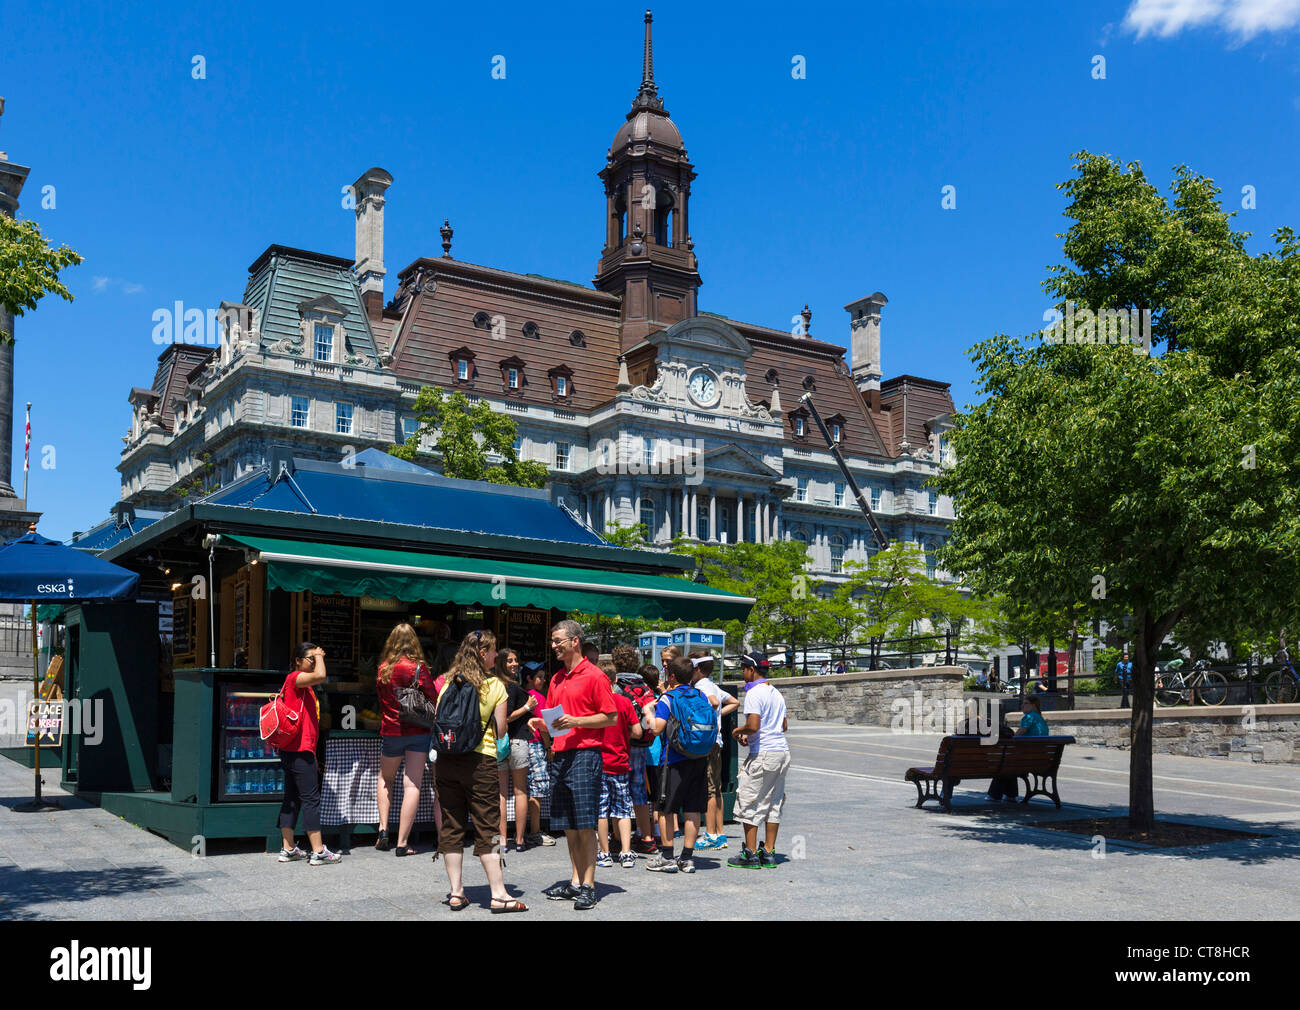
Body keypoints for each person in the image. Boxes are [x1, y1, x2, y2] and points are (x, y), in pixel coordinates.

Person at [433, 630, 527, 913]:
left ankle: (456, 892)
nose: (496, 655)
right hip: (480, 762)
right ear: (483, 654)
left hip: (447, 762)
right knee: (489, 827)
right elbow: (501, 729)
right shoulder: (495, 686)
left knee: (451, 825)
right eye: (493, 651)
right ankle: (498, 894)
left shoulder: (447, 682)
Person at [529, 619, 617, 911]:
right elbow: (556, 724)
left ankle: (589, 885)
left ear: (575, 641)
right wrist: (541, 724)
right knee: (568, 825)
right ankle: (576, 881)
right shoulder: (556, 678)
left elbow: (611, 717)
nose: (553, 646)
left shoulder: (595, 676)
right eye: (553, 641)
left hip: (585, 754)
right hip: (561, 755)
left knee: (585, 823)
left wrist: (576, 721)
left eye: (558, 641)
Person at [643, 656, 711, 874]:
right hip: (699, 758)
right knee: (693, 810)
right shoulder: (700, 695)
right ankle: (687, 858)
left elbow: (656, 729)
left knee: (665, 809)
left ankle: (667, 857)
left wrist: (647, 713)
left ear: (671, 676)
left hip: (673, 760)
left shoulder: (668, 698)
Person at [375, 623, 439, 856]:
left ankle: (383, 830)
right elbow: (433, 698)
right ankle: (402, 843)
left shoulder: (383, 668)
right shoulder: (419, 668)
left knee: (386, 779)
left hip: (391, 730)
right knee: (412, 784)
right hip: (418, 731)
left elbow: (381, 700)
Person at [275, 643, 341, 866]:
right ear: (297, 660)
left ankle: (288, 848)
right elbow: (321, 675)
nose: (314, 662)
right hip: (301, 749)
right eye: (310, 658)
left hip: (293, 749)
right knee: (311, 799)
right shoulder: (295, 678)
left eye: (315, 658)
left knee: (292, 798)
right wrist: (321, 656)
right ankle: (318, 851)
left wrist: (315, 658)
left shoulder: (301, 683)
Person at [728, 653, 789, 869]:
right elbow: (782, 726)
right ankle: (769, 852)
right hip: (781, 751)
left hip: (763, 754)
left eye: (743, 669)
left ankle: (750, 853)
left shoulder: (754, 693)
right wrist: (751, 736)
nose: (743, 673)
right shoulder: (776, 693)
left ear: (751, 670)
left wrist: (738, 731)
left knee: (749, 800)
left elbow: (753, 725)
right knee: (773, 801)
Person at [689, 651, 739, 851]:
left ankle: (709, 833)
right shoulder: (712, 685)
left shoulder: (701, 686)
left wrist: (710, 713)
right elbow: (734, 702)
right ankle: (719, 833)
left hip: (707, 742)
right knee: (716, 788)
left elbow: (715, 702)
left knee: (709, 789)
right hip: (717, 742)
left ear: (698, 669)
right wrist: (717, 716)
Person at [596, 659, 642, 869]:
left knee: (601, 810)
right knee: (623, 809)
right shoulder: (624, 702)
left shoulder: (594, 703)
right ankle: (625, 852)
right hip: (620, 761)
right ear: (615, 680)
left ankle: (604, 853)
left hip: (599, 763)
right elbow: (638, 732)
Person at [494, 648, 537, 853]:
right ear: (501, 663)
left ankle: (502, 840)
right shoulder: (510, 687)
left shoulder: (494, 685)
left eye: (515, 660)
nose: (514, 664)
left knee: (501, 793)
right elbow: (507, 717)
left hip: (499, 743)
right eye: (509, 661)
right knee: (520, 791)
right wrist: (528, 707)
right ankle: (519, 839)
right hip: (516, 740)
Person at [521, 663, 556, 847]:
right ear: (529, 678)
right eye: (540, 677)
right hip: (535, 745)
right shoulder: (538, 697)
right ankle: (535, 831)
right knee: (538, 787)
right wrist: (549, 746)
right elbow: (543, 726)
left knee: (523, 790)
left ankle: (524, 831)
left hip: (521, 745)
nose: (543, 680)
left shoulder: (519, 693)